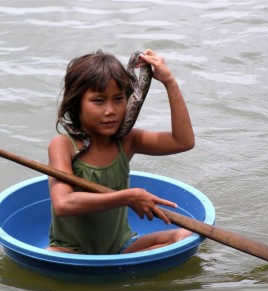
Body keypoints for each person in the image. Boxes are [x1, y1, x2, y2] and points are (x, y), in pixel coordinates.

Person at [47, 49, 195, 254]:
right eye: (98, 101)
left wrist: (170, 82)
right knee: (52, 255)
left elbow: (183, 141)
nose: (110, 110)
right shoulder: (63, 145)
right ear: (76, 103)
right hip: (71, 250)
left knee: (185, 236)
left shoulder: (127, 141)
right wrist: (128, 197)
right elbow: (63, 204)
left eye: (118, 99)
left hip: (122, 246)